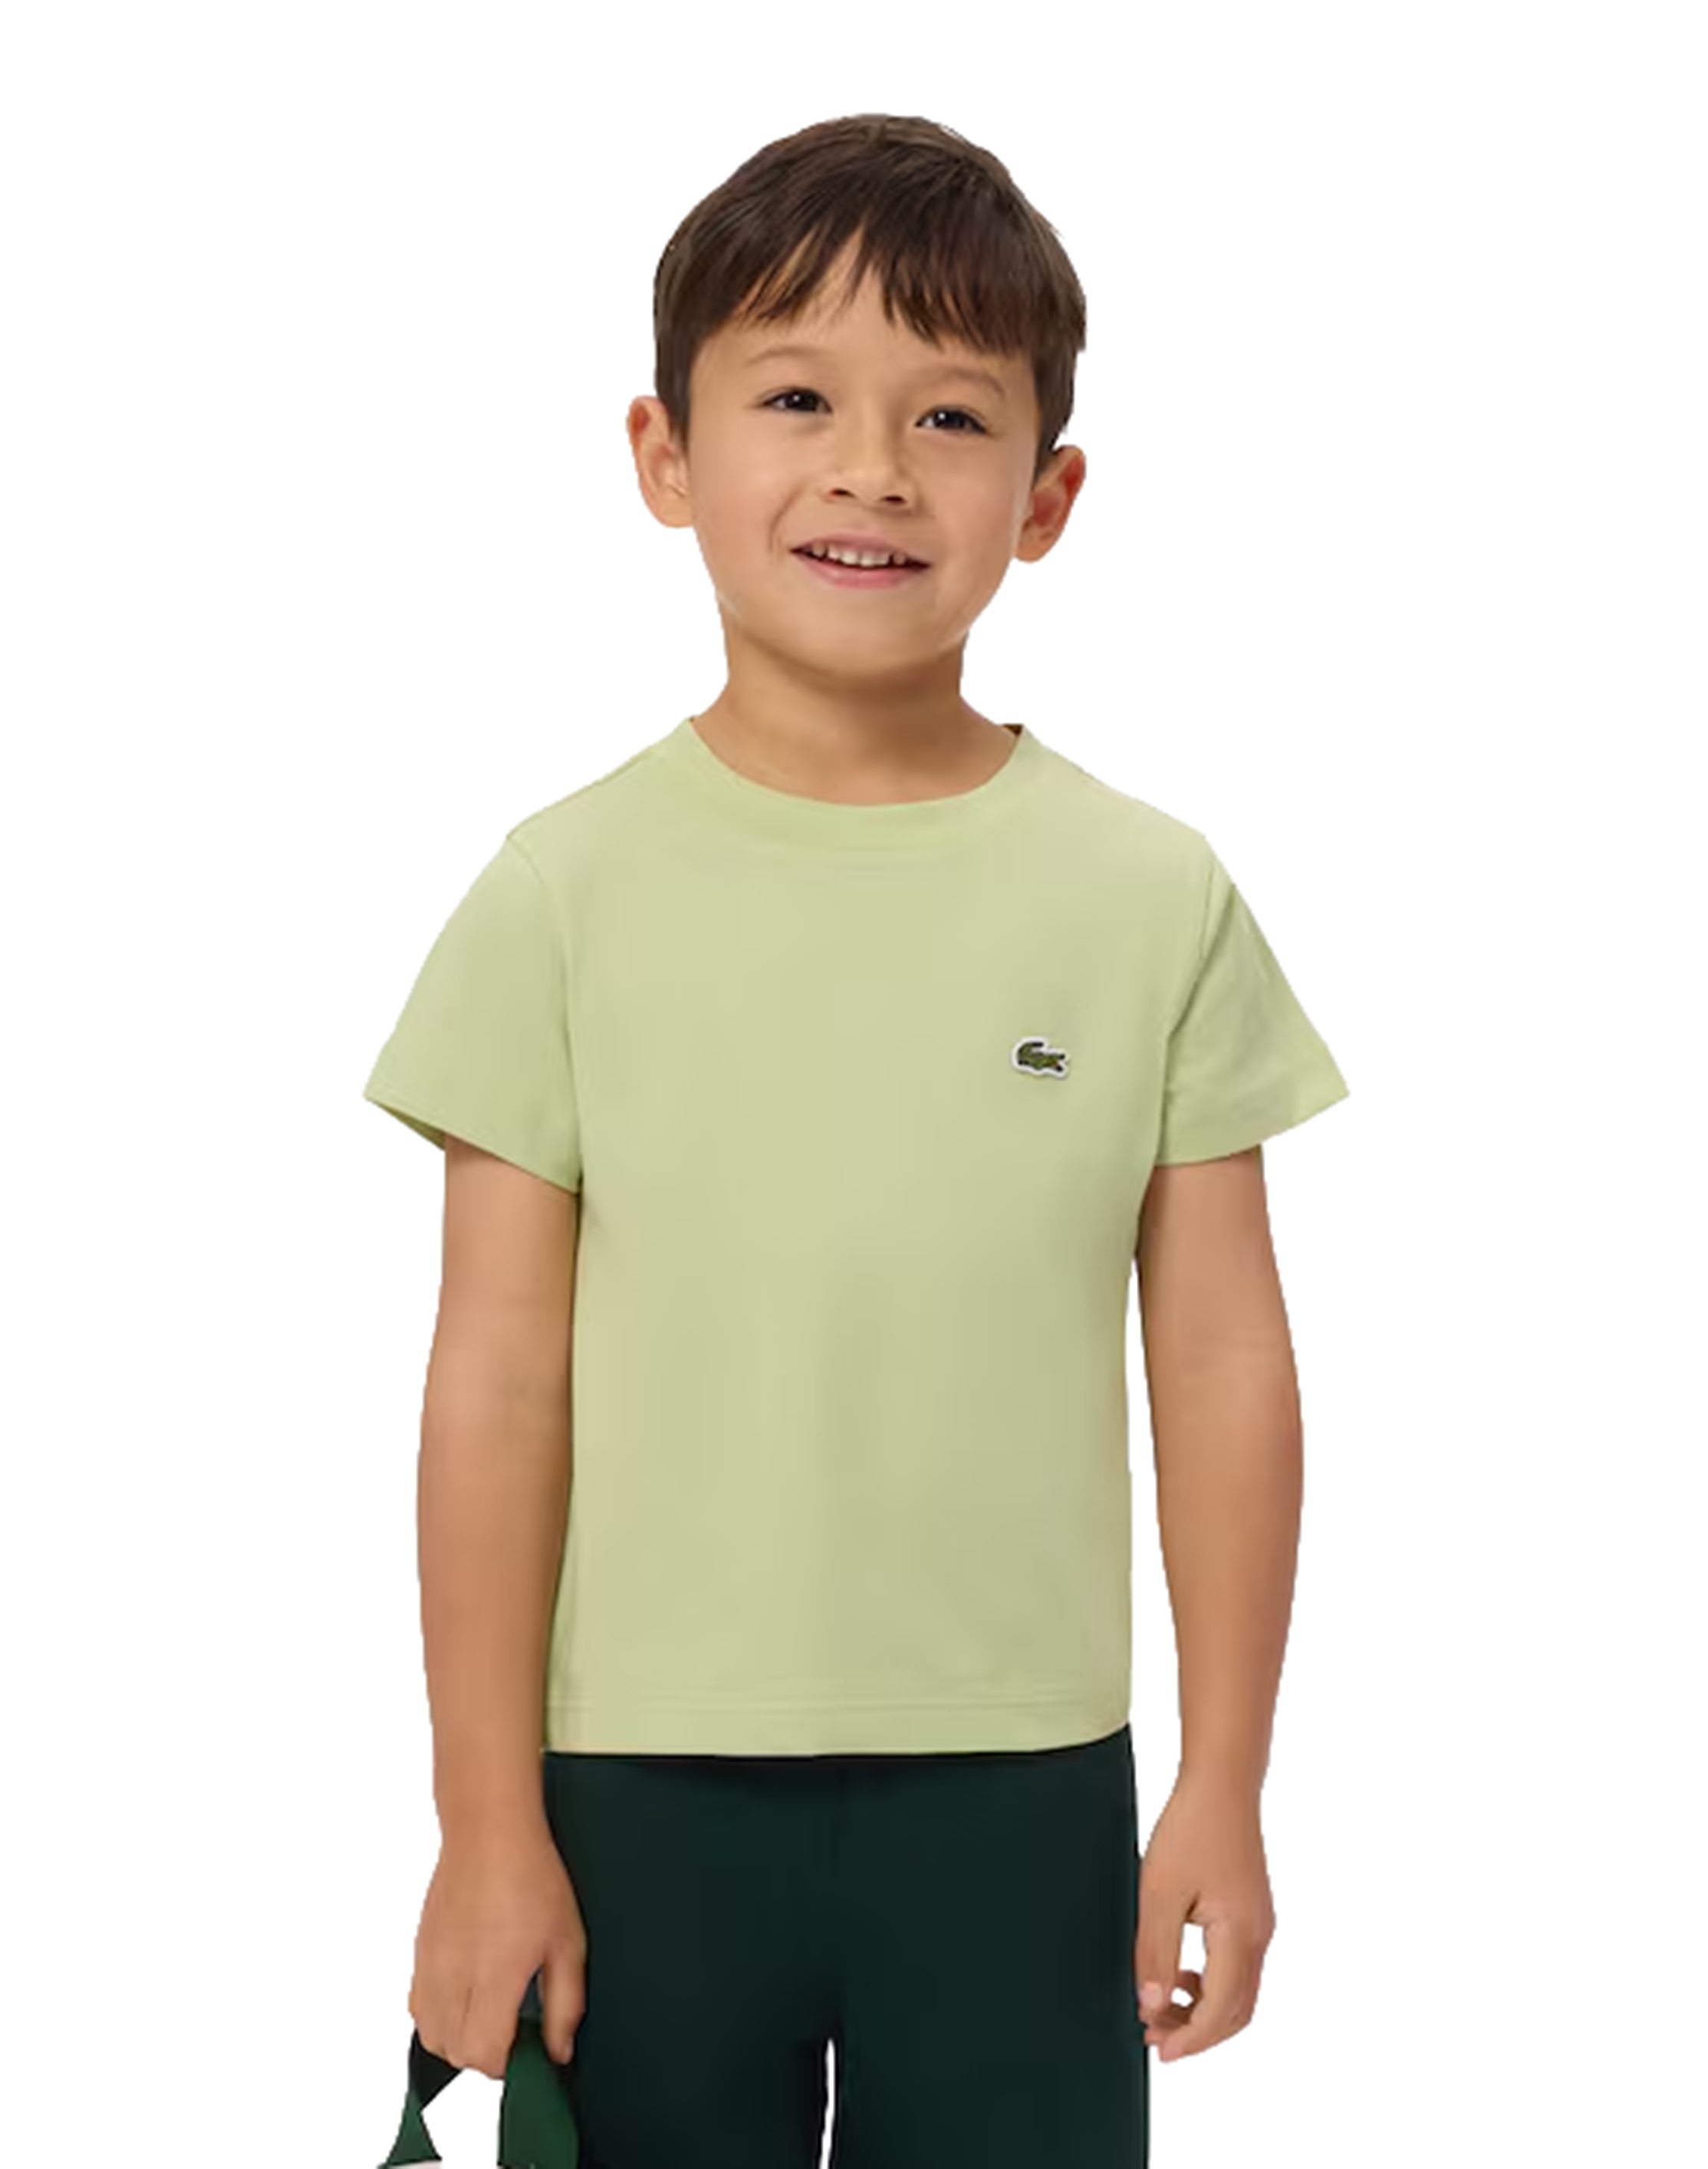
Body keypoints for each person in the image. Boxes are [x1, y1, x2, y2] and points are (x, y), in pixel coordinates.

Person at [363, 110, 1349, 2169]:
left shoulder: (1148, 895)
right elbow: (495, 1378)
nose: (874, 469)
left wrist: (1226, 1781)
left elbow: (1226, 1360)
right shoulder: (562, 894)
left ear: (1047, 495)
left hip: (1025, 1786)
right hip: (632, 1788)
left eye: (952, 415)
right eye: (798, 397)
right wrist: (482, 1820)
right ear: (665, 455)